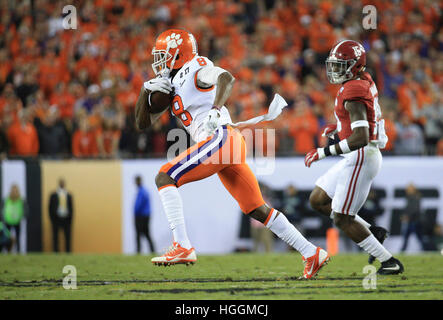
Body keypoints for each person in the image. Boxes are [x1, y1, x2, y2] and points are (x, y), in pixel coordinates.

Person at [135, 29, 329, 279]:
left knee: (165, 176)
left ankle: (182, 245)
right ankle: (312, 253)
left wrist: (216, 108)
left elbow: (226, 78)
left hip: (220, 138)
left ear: (177, 53)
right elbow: (142, 123)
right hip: (227, 145)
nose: (158, 61)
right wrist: (144, 91)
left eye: (163, 55)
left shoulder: (196, 67)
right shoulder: (171, 83)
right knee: (257, 208)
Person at [305, 40, 404, 275]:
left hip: (362, 154)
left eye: (342, 65)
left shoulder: (354, 89)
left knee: (342, 218)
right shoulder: (361, 80)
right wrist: (338, 128)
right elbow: (359, 122)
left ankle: (389, 261)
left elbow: (361, 136)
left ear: (356, 66)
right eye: (335, 65)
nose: (335, 70)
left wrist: (322, 152)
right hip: (357, 154)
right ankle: (372, 231)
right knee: (318, 200)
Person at [49, 178, 73, 252]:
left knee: (67, 237)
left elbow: (71, 208)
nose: (62, 184)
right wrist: (52, 218)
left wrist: (70, 218)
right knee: (55, 237)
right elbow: (49, 207)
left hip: (66, 218)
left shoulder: (68, 195)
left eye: (63, 182)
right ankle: (56, 252)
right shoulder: (53, 195)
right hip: (56, 218)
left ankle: (68, 252)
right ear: (59, 183)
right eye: (61, 182)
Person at [1, 184, 27, 252]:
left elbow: (25, 210)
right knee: (7, 237)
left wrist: (23, 216)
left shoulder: (21, 200)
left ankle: (18, 251)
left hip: (17, 221)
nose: (14, 192)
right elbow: (2, 209)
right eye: (13, 190)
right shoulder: (6, 199)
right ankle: (6, 251)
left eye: (15, 190)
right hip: (7, 221)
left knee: (18, 237)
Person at [133, 176, 155, 254]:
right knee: (146, 234)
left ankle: (139, 251)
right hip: (145, 216)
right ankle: (152, 250)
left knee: (140, 234)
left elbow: (139, 205)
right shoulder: (143, 191)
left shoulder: (142, 192)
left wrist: (135, 213)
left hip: (141, 216)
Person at [400, 183, 424, 252]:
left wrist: (407, 216)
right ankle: (402, 250)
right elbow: (407, 209)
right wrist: (404, 215)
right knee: (406, 238)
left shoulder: (416, 197)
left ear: (414, 190)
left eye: (410, 189)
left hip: (415, 221)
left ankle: (426, 249)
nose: (408, 190)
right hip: (411, 221)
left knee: (419, 238)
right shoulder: (409, 198)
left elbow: (415, 209)